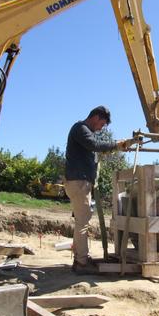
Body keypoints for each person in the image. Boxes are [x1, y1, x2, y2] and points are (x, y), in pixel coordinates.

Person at [65, 106, 129, 274]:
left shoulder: (84, 131)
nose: (102, 128)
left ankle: (80, 258)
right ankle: (81, 262)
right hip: (79, 182)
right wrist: (116, 145)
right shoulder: (81, 129)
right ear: (96, 117)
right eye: (102, 124)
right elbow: (94, 145)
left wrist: (117, 146)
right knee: (82, 223)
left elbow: (95, 146)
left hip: (80, 182)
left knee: (81, 221)